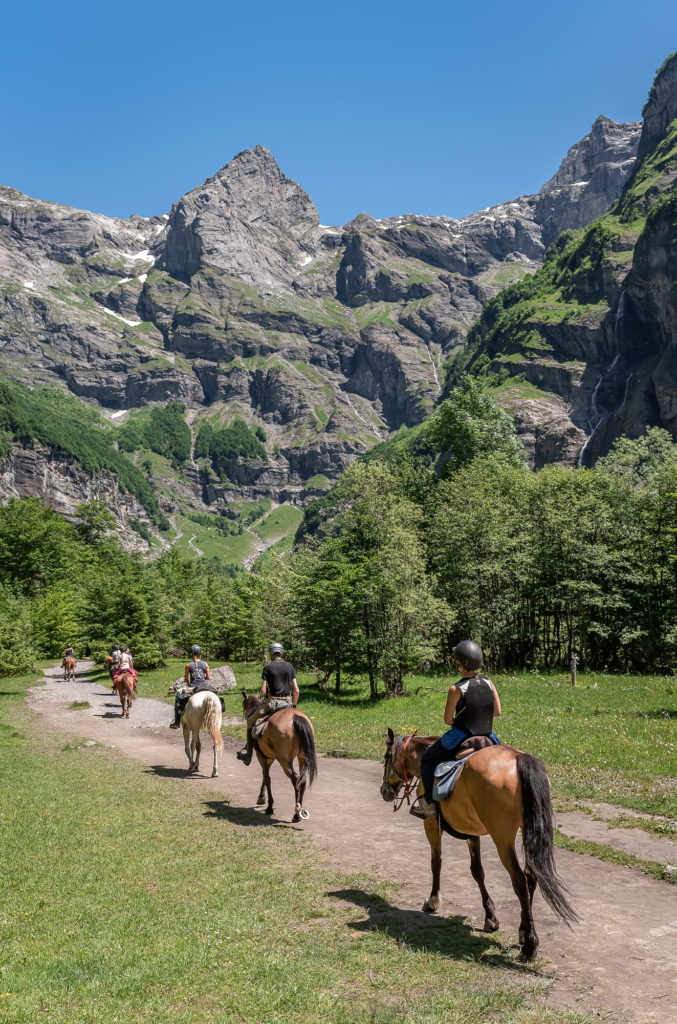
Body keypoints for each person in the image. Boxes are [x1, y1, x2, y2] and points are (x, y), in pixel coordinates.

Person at [411, 640, 501, 818]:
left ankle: (429, 803)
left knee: (427, 760)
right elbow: (497, 712)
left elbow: (447, 720)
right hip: (487, 734)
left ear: (459, 663)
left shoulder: (456, 688)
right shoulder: (489, 682)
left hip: (462, 734)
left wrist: (463, 722)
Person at [237, 642, 299, 765]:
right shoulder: (290, 666)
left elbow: (264, 690)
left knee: (250, 722)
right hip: (287, 703)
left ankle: (248, 755)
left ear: (271, 654)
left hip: (273, 703)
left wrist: (260, 695)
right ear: (282, 653)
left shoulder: (268, 668)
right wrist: (294, 706)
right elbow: (296, 690)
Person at [169, 645, 223, 729]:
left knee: (177, 695)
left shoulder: (188, 665)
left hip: (193, 687)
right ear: (199, 654)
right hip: (204, 686)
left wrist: (188, 681)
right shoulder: (205, 664)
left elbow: (186, 679)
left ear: (192, 654)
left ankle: (176, 721)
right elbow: (208, 677)